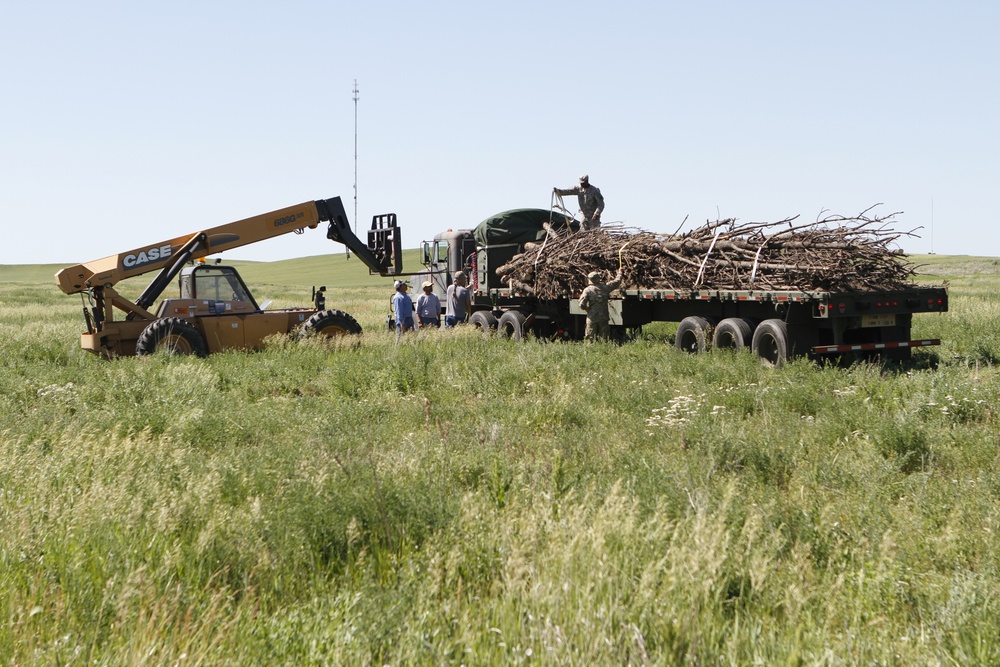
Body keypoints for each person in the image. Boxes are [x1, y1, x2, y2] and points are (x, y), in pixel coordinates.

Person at [578, 269, 623, 342]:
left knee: (590, 339)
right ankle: (604, 350)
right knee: (604, 338)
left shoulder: (587, 290)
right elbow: (617, 282)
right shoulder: (605, 288)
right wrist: (620, 273)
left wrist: (587, 309)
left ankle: (591, 351)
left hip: (592, 317)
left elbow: (581, 305)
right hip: (603, 317)